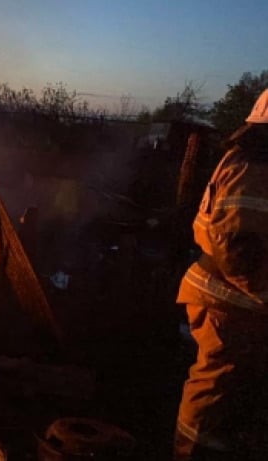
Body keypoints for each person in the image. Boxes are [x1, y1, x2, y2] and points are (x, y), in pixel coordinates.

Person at [174, 88, 268, 460]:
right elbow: (236, 250)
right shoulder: (253, 168)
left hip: (237, 306)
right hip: (228, 305)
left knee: (229, 403)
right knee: (211, 402)